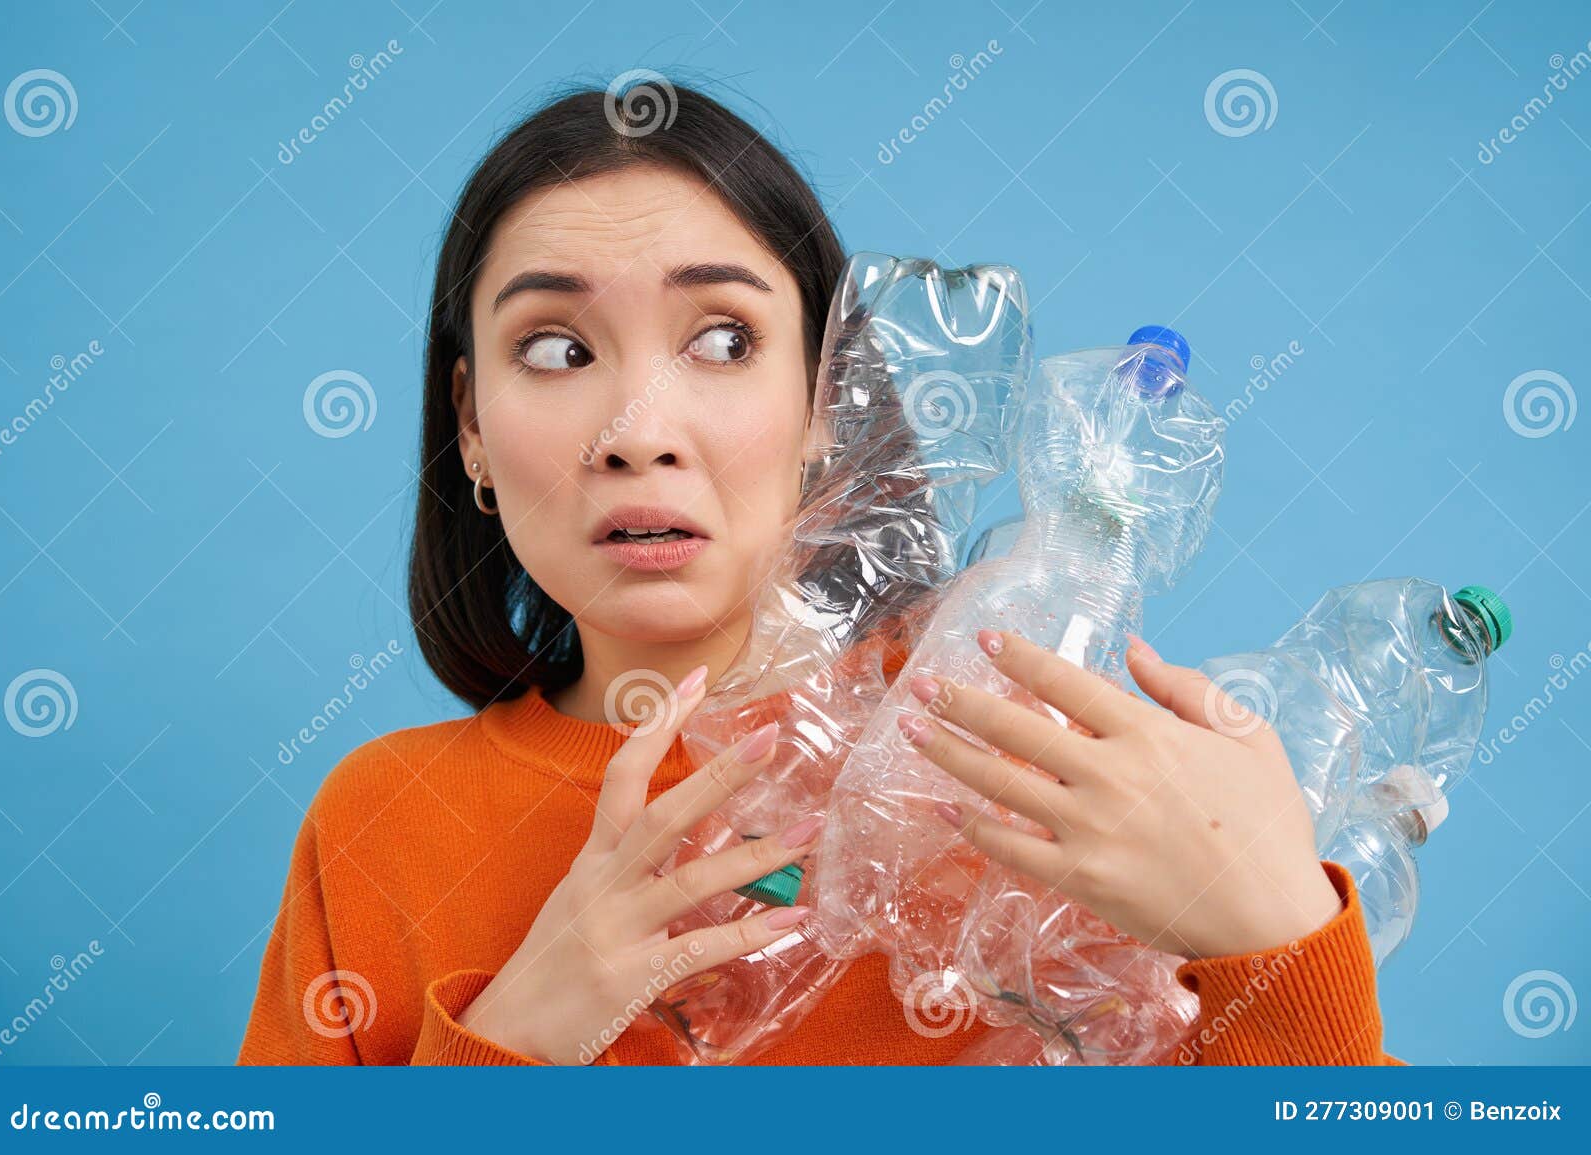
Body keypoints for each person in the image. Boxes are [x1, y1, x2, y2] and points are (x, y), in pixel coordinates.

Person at [238, 80, 1398, 1066]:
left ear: (822, 406)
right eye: (556, 348)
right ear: (472, 426)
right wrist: (518, 1038)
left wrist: (1276, 937)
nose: (639, 428)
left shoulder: (1016, 766)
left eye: (724, 340)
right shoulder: (383, 825)